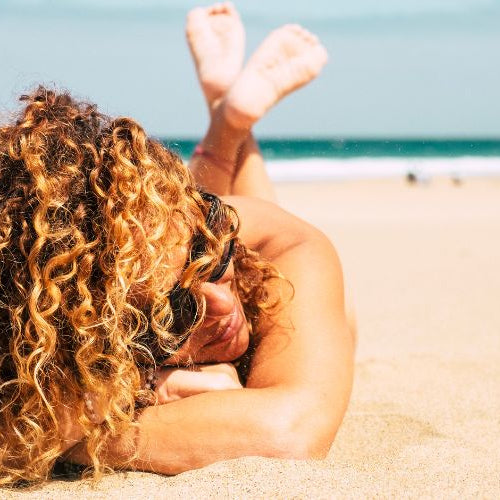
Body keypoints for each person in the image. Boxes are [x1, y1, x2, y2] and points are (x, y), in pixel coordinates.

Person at [0, 3, 354, 484]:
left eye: (210, 256)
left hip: (251, 236)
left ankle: (229, 122)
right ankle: (229, 113)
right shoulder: (50, 317)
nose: (223, 303)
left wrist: (88, 425)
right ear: (93, 328)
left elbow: (291, 430)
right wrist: (144, 385)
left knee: (314, 306)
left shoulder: (267, 241)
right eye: (173, 314)